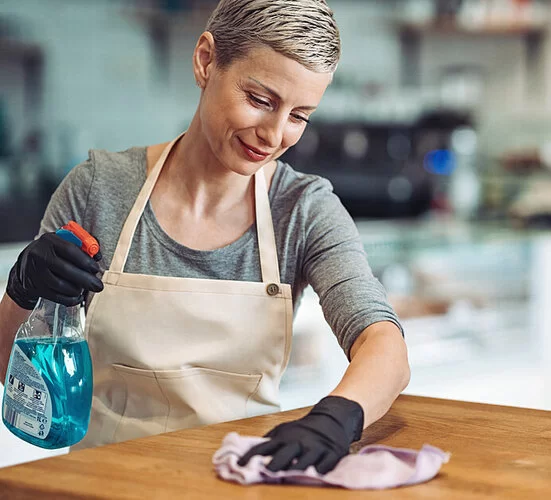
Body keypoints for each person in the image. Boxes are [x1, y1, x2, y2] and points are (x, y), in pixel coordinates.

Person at [0, 0, 409, 474]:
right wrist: (22, 290)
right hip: (101, 484)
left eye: (300, 116)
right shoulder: (99, 189)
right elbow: (11, 368)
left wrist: (339, 415)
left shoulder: (302, 210)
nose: (274, 135)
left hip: (235, 481)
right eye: (260, 100)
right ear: (206, 60)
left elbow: (385, 346)